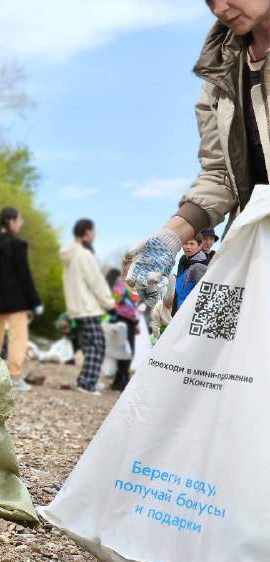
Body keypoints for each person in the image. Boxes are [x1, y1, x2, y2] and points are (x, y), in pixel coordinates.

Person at [125, 0, 270, 289]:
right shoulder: (220, 68)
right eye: (209, 0)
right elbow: (221, 171)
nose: (219, 9)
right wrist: (170, 236)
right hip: (257, 257)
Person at [0, 207, 43, 392]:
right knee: (18, 338)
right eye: (19, 220)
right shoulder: (17, 245)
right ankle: (14, 376)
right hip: (16, 300)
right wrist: (35, 301)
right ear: (10, 221)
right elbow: (24, 276)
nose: (20, 224)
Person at [60, 219, 115, 396]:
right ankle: (87, 383)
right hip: (87, 308)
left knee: (88, 345)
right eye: (93, 231)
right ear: (86, 232)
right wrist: (109, 304)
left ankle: (87, 379)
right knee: (97, 345)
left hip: (76, 309)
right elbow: (96, 282)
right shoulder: (83, 254)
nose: (94, 235)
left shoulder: (69, 256)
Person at [107, 269, 140, 392]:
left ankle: (120, 378)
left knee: (129, 351)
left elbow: (133, 307)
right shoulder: (120, 284)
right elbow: (114, 303)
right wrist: (112, 321)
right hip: (121, 320)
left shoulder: (134, 286)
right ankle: (121, 380)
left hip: (130, 321)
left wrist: (136, 322)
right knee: (124, 351)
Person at [173, 235, 209, 315]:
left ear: (199, 246)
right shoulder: (183, 261)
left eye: (192, 244)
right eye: (185, 243)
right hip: (179, 312)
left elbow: (204, 295)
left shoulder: (199, 266)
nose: (188, 247)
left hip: (190, 314)